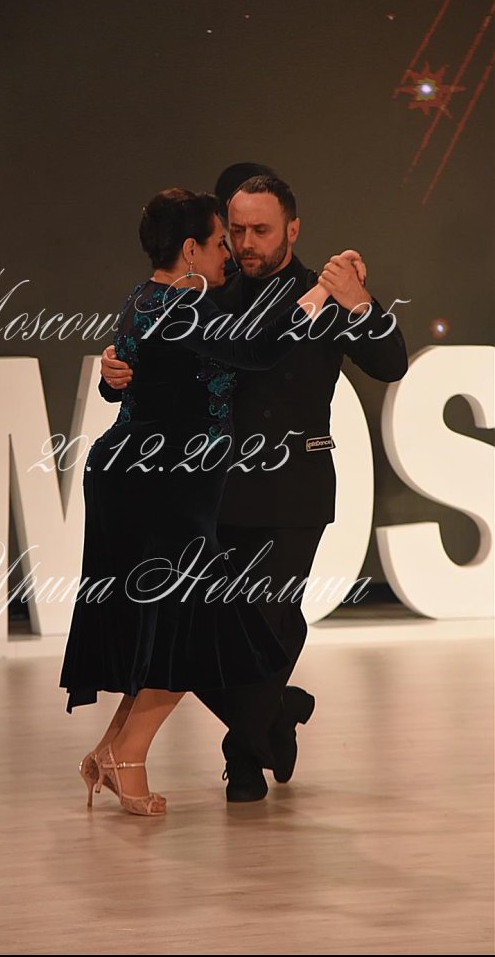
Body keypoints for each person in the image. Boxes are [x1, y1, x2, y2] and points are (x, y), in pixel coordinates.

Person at [99, 173, 408, 802]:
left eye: (260, 230)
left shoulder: (328, 292)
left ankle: (244, 754)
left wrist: (360, 303)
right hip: (211, 487)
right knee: (207, 629)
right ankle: (276, 714)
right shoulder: (210, 288)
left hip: (293, 486)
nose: (244, 242)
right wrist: (113, 374)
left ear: (292, 229)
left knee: (271, 625)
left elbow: (391, 362)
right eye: (235, 229)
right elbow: (154, 368)